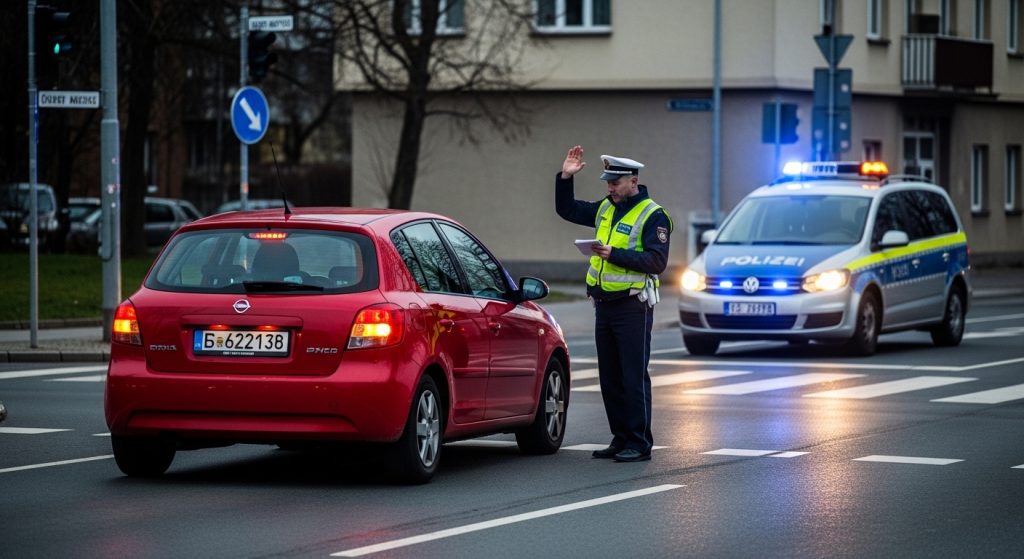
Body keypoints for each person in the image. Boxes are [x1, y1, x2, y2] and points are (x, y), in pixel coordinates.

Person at [555, 145, 673, 462]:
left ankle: (639, 442)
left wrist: (613, 254)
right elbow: (568, 210)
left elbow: (657, 261)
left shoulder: (653, 215)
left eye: (615, 183)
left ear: (632, 181)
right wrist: (565, 177)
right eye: (608, 182)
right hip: (604, 304)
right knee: (610, 376)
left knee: (632, 375)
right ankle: (620, 438)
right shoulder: (607, 208)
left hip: (633, 305)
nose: (609, 188)